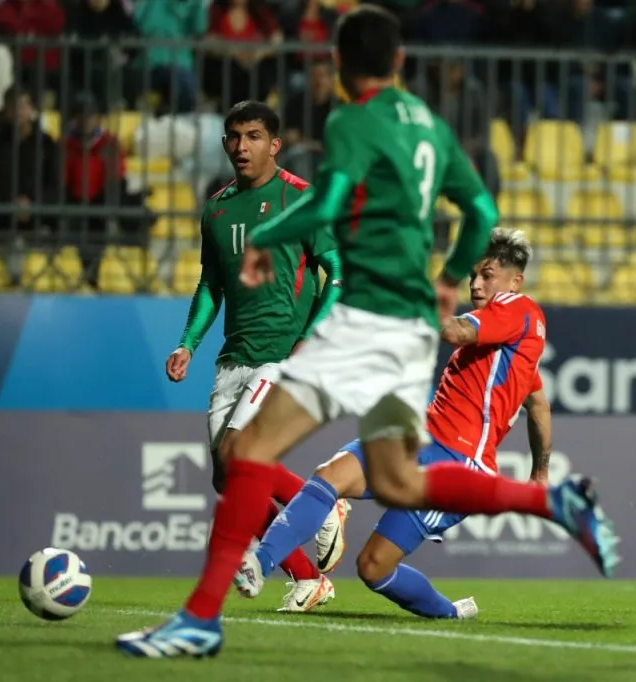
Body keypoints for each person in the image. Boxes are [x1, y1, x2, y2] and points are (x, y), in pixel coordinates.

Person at [117, 6, 617, 659]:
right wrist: (450, 275)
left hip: (364, 314)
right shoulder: (431, 127)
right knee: (399, 483)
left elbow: (324, 206)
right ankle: (550, 504)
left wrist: (266, 238)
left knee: (248, 453)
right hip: (408, 329)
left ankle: (200, 618)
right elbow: (483, 210)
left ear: (341, 67)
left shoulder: (352, 119)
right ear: (401, 62)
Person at [234, 227, 552, 621]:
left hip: (456, 463)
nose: (475, 283)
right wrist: (540, 472)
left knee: (373, 566)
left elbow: (452, 330)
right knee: (329, 475)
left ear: (514, 281)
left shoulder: (518, 310)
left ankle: (450, 614)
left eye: (487, 274)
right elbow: (538, 405)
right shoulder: (516, 342)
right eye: (473, 274)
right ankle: (258, 564)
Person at [164, 100, 349, 615]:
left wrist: (309, 337)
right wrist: (188, 343)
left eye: (252, 136)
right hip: (233, 358)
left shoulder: (300, 199)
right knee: (228, 479)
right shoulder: (217, 208)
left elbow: (336, 272)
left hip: (282, 355)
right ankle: (309, 577)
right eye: (233, 137)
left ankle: (321, 498)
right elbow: (211, 284)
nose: (240, 147)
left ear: (275, 144)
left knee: (238, 455)